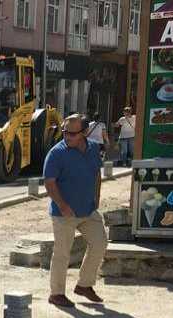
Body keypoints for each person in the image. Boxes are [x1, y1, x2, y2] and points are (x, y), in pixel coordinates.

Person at [44, 114, 108, 308]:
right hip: (64, 213)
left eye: (72, 133)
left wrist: (96, 197)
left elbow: (97, 173)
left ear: (85, 132)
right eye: (64, 132)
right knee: (62, 253)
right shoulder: (56, 153)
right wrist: (63, 205)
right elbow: (49, 183)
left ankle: (84, 285)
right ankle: (56, 294)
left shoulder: (93, 149)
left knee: (100, 243)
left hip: (88, 211)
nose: (67, 137)